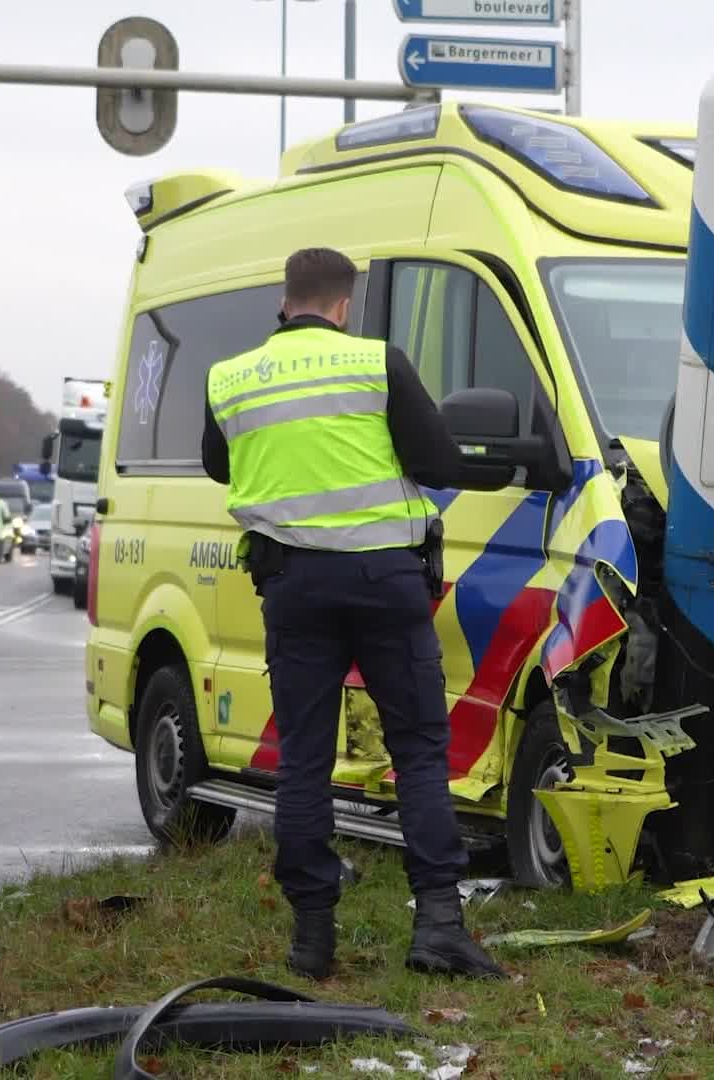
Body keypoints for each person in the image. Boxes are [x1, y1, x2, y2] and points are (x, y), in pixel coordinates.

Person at [201, 247, 505, 981]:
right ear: (345, 303)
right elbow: (435, 463)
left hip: (293, 585)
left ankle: (312, 941)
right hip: (383, 581)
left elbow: (219, 463)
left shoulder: (230, 376)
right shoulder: (377, 363)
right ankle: (437, 925)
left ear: (286, 299)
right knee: (419, 752)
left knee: (304, 757)